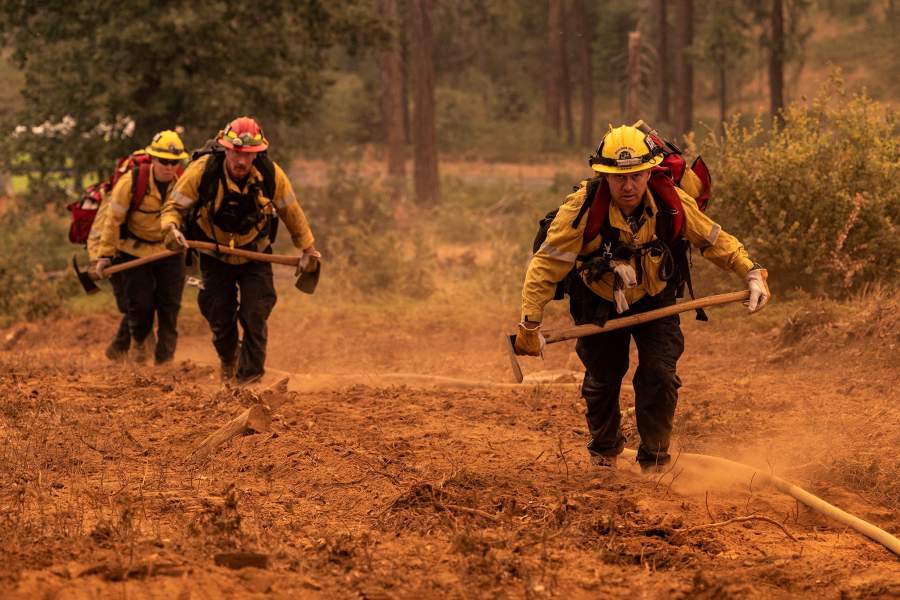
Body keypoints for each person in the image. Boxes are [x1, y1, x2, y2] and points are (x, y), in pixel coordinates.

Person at [514, 123, 771, 472]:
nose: (628, 186)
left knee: (660, 375)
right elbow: (545, 266)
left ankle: (655, 462)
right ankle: (604, 454)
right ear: (604, 176)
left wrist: (751, 272)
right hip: (599, 299)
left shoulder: (671, 202)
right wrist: (530, 322)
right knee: (603, 378)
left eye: (636, 176)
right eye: (619, 178)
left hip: (655, 296)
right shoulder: (582, 210)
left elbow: (712, 238)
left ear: (650, 172)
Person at [160, 116, 318, 385]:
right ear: (225, 149)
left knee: (255, 314)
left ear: (257, 154)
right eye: (236, 152)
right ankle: (229, 360)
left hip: (255, 253)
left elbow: (292, 212)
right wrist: (171, 229)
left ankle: (250, 381)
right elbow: (173, 208)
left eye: (248, 154)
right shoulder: (202, 171)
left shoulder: (271, 174)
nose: (241, 161)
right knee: (220, 317)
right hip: (214, 254)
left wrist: (308, 249)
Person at [95, 130, 189, 364]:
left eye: (174, 162)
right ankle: (139, 346)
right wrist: (104, 255)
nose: (169, 167)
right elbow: (112, 221)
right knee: (140, 305)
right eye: (164, 161)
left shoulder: (184, 184)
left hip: (169, 250)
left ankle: (165, 359)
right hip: (134, 252)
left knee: (170, 306)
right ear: (153, 159)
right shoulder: (131, 183)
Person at [86, 197, 131, 361]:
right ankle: (120, 348)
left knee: (143, 304)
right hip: (114, 260)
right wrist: (99, 259)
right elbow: (96, 235)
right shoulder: (114, 198)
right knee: (133, 306)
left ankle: (131, 348)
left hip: (137, 256)